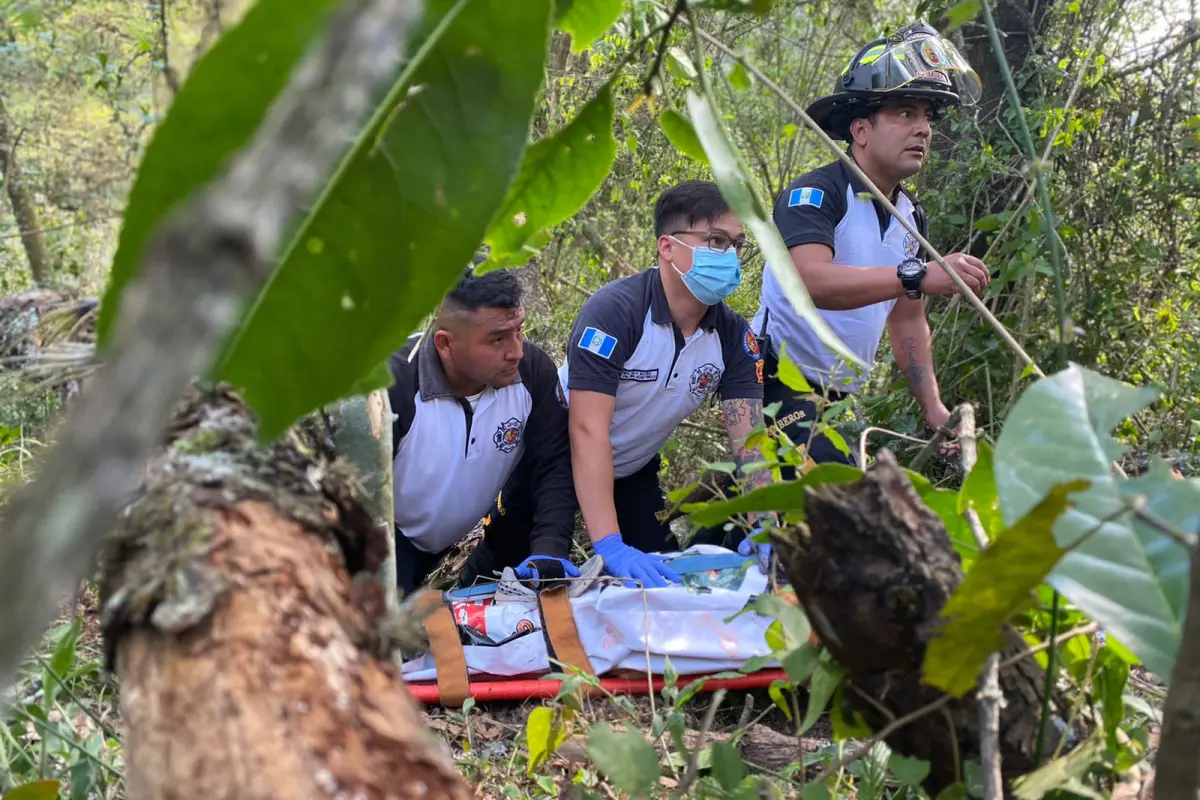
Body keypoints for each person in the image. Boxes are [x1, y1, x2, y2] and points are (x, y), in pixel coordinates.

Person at [751, 21, 988, 473]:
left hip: (837, 393)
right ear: (860, 130)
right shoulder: (815, 194)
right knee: (836, 489)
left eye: (927, 117)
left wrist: (934, 410)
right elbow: (810, 282)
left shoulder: (910, 218)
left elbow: (907, 320)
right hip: (772, 378)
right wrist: (916, 275)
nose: (922, 129)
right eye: (905, 113)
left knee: (827, 499)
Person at [559, 180, 775, 587]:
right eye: (714, 240)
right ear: (668, 247)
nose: (729, 255)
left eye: (736, 244)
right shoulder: (615, 313)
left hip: (633, 467)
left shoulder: (735, 338)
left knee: (663, 576)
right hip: (555, 456)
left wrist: (764, 520)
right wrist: (608, 542)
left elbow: (750, 439)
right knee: (519, 567)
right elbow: (585, 430)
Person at [387, 266, 579, 595]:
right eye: (498, 338)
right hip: (388, 542)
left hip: (448, 541)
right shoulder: (395, 386)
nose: (516, 350)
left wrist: (550, 547)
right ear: (446, 345)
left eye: (520, 330)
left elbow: (554, 463)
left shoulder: (531, 373)